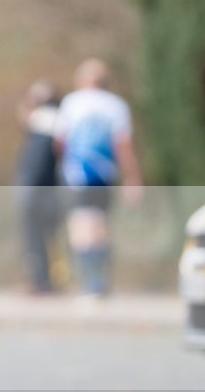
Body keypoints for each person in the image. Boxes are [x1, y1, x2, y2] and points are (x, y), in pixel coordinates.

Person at [54, 59, 143, 298]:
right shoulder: (116, 106)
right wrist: (133, 178)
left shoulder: (71, 103)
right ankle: (101, 281)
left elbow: (60, 143)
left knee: (81, 226)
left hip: (78, 175)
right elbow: (124, 146)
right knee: (101, 226)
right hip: (105, 174)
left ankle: (89, 282)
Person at [14, 81, 62, 296]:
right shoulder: (59, 119)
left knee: (36, 238)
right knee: (47, 237)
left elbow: (23, 116)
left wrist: (28, 100)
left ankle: (41, 281)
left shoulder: (44, 118)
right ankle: (45, 280)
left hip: (36, 188)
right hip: (49, 187)